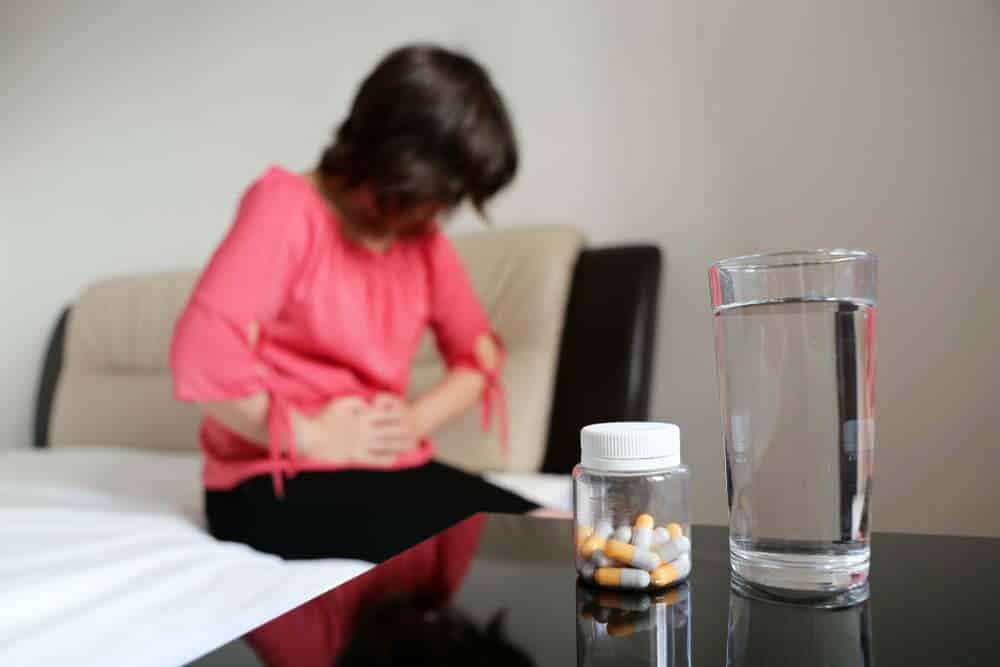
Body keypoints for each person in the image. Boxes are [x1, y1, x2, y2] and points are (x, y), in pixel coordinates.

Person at [170, 44, 541, 562]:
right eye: (437, 192)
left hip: (387, 468)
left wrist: (413, 422)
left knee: (548, 533)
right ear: (394, 158)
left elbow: (477, 359)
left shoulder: (422, 241)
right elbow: (203, 353)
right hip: (274, 478)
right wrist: (312, 435)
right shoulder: (285, 208)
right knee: (475, 549)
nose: (439, 210)